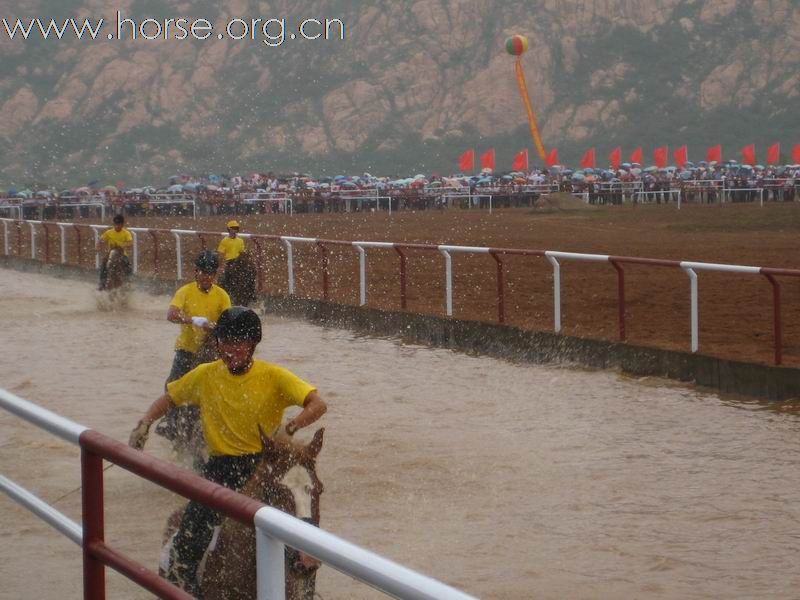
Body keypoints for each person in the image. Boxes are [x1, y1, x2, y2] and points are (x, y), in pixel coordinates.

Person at [129, 307, 328, 592]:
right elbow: (168, 399)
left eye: (239, 343)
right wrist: (145, 423)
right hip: (220, 468)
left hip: (264, 466)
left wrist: (292, 427)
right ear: (217, 342)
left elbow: (317, 404)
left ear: (252, 345)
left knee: (302, 521)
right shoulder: (204, 375)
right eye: (225, 341)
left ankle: (305, 590)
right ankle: (184, 584)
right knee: (191, 534)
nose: (231, 349)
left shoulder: (274, 376)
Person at [155, 250, 231, 442]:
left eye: (211, 273)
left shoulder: (222, 296)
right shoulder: (185, 291)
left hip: (212, 352)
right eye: (203, 272)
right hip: (186, 350)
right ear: (196, 272)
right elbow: (171, 314)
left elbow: (229, 323)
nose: (207, 277)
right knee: (172, 385)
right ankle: (171, 424)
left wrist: (217, 327)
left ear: (215, 274)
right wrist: (193, 320)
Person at [96, 214, 133, 290]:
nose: (117, 226)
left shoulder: (126, 233)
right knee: (103, 264)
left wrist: (123, 245)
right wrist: (97, 246)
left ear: (122, 224)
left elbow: (130, 243)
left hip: (122, 254)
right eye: (115, 224)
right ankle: (102, 283)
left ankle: (129, 283)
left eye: (118, 224)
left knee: (128, 265)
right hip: (111, 253)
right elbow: (101, 239)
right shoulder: (109, 232)